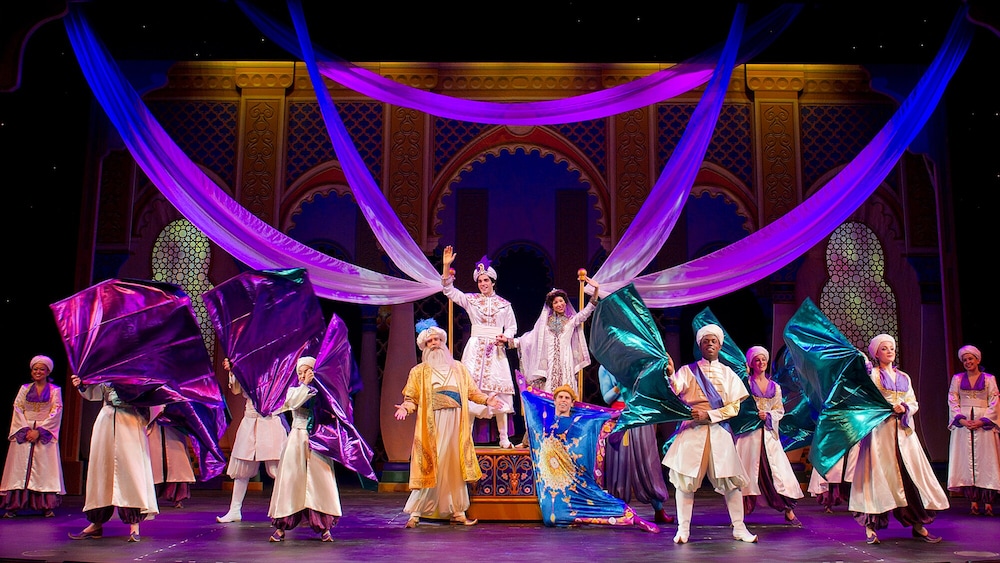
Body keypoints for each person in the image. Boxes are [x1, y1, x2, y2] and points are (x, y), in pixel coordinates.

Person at [394, 318, 504, 528]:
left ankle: (458, 512)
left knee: (454, 465)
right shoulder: (419, 372)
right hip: (433, 424)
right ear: (424, 347)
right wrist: (404, 408)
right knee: (433, 463)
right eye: (430, 341)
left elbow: (473, 392)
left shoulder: (459, 369)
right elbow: (411, 398)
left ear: (443, 342)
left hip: (456, 425)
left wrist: (487, 399)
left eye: (437, 340)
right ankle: (415, 513)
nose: (434, 343)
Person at [662, 324, 758, 544]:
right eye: (706, 341)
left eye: (713, 341)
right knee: (685, 481)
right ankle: (683, 529)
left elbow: (734, 408)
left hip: (719, 431)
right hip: (692, 432)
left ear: (720, 345)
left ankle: (739, 528)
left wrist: (710, 415)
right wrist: (669, 374)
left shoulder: (728, 373)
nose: (710, 344)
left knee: (731, 482)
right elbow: (673, 391)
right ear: (700, 345)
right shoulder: (687, 371)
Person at [850, 334, 949, 545]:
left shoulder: (904, 377)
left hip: (903, 433)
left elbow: (913, 401)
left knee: (910, 476)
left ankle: (917, 524)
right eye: (884, 348)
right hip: (879, 433)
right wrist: (886, 409)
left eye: (891, 347)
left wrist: (904, 408)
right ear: (876, 353)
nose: (889, 351)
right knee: (878, 478)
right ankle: (870, 527)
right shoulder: (873, 375)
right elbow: (864, 401)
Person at [524, 384, 659, 533]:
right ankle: (574, 517)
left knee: (599, 500)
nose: (563, 400)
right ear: (554, 401)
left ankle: (634, 519)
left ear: (572, 402)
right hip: (554, 486)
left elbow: (603, 418)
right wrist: (523, 386)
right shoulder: (545, 422)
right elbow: (531, 411)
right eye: (560, 397)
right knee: (551, 519)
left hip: (576, 481)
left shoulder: (580, 422)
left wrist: (624, 412)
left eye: (567, 398)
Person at [499, 279, 599, 447]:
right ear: (551, 305)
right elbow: (528, 340)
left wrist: (595, 291)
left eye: (561, 301)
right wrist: (509, 341)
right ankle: (545, 439)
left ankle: (567, 439)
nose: (559, 304)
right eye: (556, 302)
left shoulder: (571, 320)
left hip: (565, 365)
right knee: (549, 402)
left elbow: (587, 311)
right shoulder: (544, 325)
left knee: (567, 399)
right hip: (550, 367)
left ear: (565, 303)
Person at [441, 247, 517, 448]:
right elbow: (449, 291)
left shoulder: (504, 304)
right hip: (475, 349)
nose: (483, 284)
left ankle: (503, 438)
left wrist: (506, 337)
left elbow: (512, 327)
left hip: (496, 350)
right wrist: (447, 266)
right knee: (472, 390)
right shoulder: (471, 300)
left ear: (493, 282)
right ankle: (466, 439)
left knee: (498, 390)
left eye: (486, 280)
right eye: (480, 281)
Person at [68, 375, 158, 542]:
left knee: (132, 470)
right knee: (102, 470)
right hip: (107, 419)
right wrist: (82, 385)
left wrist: (150, 418)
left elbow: (155, 396)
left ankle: (134, 524)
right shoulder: (106, 368)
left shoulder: (138, 369)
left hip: (130, 419)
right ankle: (96, 522)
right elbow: (94, 393)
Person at [266, 356, 341, 542]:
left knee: (320, 482)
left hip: (317, 440)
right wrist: (306, 385)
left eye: (306, 372)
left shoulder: (322, 393)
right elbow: (293, 403)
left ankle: (324, 528)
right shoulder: (294, 391)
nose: (301, 376)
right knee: (291, 481)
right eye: (299, 373)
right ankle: (282, 527)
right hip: (297, 438)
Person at [733, 346, 804, 527]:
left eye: (763, 359)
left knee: (778, 472)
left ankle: (789, 510)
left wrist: (770, 416)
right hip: (750, 435)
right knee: (747, 473)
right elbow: (739, 408)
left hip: (768, 435)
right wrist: (754, 414)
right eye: (757, 360)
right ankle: (738, 515)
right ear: (751, 363)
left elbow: (779, 409)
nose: (761, 363)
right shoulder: (746, 385)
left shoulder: (776, 387)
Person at [598, 366, 674, 525]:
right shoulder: (605, 367)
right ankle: (619, 510)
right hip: (619, 419)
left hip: (639, 417)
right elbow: (607, 398)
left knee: (647, 462)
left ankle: (658, 508)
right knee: (619, 465)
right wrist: (620, 386)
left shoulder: (638, 363)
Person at [217, 357, 289, 523]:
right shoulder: (247, 366)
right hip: (250, 420)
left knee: (276, 469)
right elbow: (236, 390)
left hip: (270, 420)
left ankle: (284, 509)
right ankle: (235, 509)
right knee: (242, 468)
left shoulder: (278, 366)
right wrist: (233, 370)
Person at [1, 355, 66, 518]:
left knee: (43, 467)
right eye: (35, 369)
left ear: (47, 372)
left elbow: (56, 410)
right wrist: (25, 429)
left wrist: (40, 431)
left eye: (41, 369)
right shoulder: (24, 388)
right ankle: (14, 504)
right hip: (25, 429)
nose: (38, 372)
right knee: (19, 467)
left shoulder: (54, 390)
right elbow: (17, 408)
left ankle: (45, 505)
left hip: (43, 431)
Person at [946, 344, 999, 517]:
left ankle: (989, 503)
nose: (968, 362)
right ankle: (974, 502)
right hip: (964, 422)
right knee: (966, 461)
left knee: (986, 460)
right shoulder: (958, 379)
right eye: (965, 360)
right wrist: (961, 419)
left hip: (983, 422)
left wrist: (983, 420)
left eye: (971, 359)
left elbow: (994, 400)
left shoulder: (989, 379)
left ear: (978, 360)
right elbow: (952, 399)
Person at [147, 418, 195, 508]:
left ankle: (178, 498)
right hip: (153, 423)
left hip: (173, 424)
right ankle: (151, 497)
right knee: (154, 462)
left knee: (177, 462)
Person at [806, 442, 858, 513]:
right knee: (831, 473)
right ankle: (828, 503)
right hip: (832, 442)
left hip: (847, 444)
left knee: (848, 472)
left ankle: (851, 502)